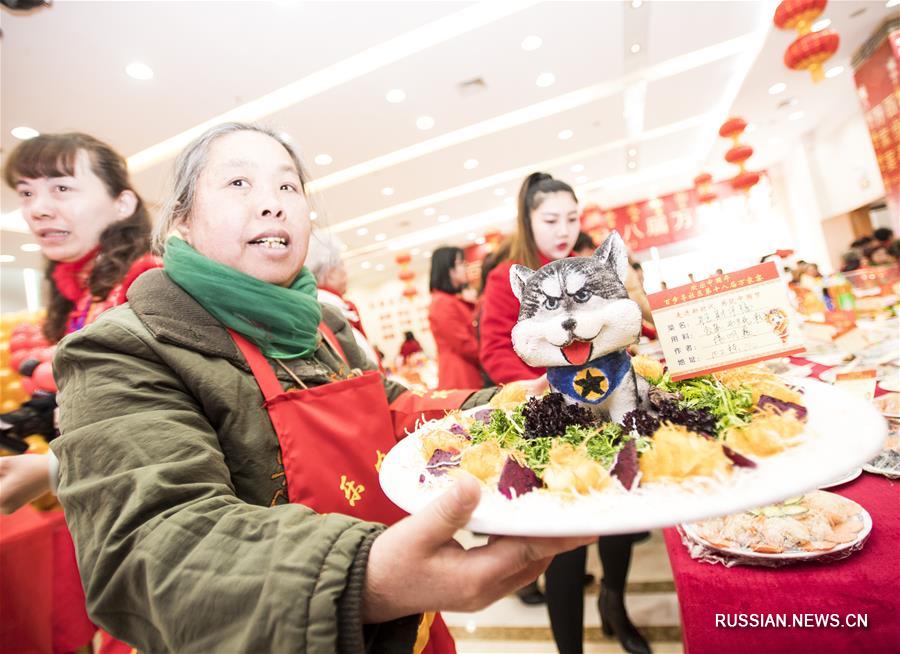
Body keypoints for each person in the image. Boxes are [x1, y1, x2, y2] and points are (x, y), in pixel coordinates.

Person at [48, 123, 588, 653]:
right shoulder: (121, 349)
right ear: (182, 223)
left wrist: (522, 402)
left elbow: (394, 409)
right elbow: (153, 547)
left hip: (406, 629)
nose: (273, 203)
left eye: (288, 186)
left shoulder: (324, 323)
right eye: (239, 183)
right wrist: (362, 578)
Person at [0, 132, 158, 654]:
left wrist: (51, 471)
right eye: (25, 193)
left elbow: (166, 430)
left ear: (122, 202)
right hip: (111, 516)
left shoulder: (148, 285)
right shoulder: (80, 290)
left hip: (158, 523)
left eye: (61, 187)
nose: (38, 209)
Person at [479, 172, 650, 654]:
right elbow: (494, 349)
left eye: (572, 218)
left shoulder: (596, 260)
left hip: (613, 405)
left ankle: (614, 605)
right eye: (550, 219)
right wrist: (546, 376)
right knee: (564, 550)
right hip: (554, 416)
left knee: (619, 517)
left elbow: (628, 318)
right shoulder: (505, 276)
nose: (563, 230)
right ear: (527, 220)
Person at [305, 229, 380, 365]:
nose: (346, 273)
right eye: (342, 265)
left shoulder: (327, 306)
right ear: (330, 274)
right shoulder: (333, 310)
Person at [427, 246, 483, 389]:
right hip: (460, 377)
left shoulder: (449, 300)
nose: (465, 267)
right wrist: (490, 351)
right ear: (448, 269)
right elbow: (464, 344)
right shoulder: (442, 303)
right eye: (460, 263)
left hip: (466, 372)